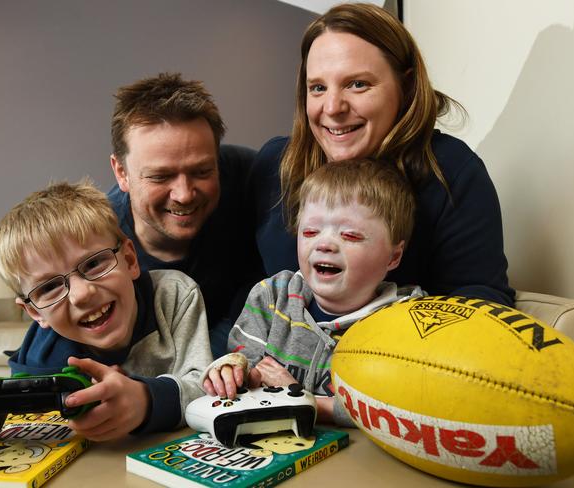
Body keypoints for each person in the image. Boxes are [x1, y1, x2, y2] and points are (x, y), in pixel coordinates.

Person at [248, 3, 514, 306]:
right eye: (318, 87)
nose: (333, 108)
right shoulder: (274, 164)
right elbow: (242, 290)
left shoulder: (453, 173)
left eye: (357, 84)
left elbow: (481, 303)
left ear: (407, 86)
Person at [203, 159, 425, 426]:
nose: (325, 244)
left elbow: (393, 411)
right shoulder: (272, 297)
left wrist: (300, 398)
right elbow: (244, 364)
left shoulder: (405, 323)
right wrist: (229, 371)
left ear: (393, 256)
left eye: (350, 236)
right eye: (310, 231)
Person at [0, 181, 213, 441]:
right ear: (35, 312)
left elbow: (208, 388)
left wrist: (146, 400)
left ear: (130, 260)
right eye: (49, 287)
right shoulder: (40, 358)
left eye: (94, 263)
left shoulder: (174, 295)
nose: (82, 294)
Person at [108, 72, 262, 358]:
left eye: (202, 172)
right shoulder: (97, 241)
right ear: (122, 173)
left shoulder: (249, 178)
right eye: (160, 176)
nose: (184, 194)